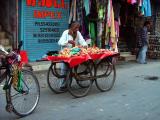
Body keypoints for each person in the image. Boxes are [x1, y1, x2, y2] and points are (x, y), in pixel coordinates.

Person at [58, 21, 88, 89]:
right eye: (76, 27)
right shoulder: (66, 32)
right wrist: (67, 41)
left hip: (74, 53)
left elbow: (82, 40)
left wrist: (85, 45)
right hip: (66, 53)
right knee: (64, 70)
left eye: (78, 28)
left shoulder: (78, 33)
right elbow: (60, 42)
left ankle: (69, 83)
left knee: (74, 67)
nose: (77, 29)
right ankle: (62, 85)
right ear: (71, 27)